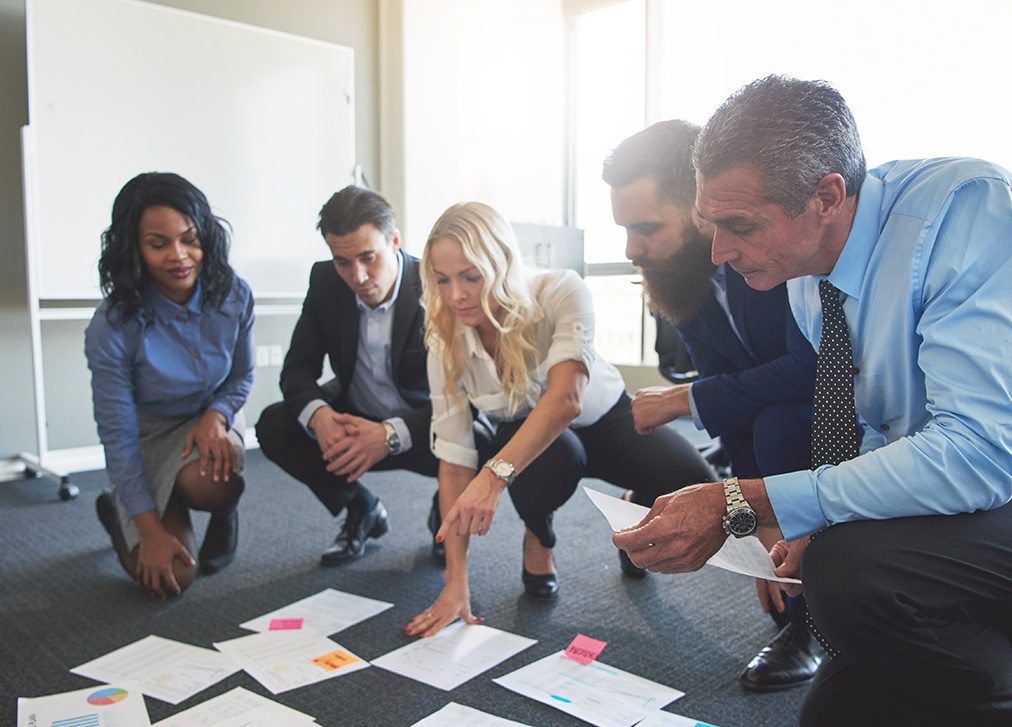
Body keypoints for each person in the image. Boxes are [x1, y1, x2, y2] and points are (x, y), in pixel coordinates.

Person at [613, 75, 1012, 727]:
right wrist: (822, 513)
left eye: (739, 225)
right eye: (711, 223)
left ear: (828, 196)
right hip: (985, 517)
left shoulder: (968, 208)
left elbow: (979, 455)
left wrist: (742, 503)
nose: (717, 251)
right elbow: (881, 426)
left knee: (853, 573)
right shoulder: (812, 273)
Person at [404, 201, 715, 637]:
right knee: (541, 464)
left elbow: (567, 398)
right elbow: (455, 459)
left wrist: (492, 478)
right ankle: (539, 534)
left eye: (471, 276)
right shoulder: (445, 336)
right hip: (531, 440)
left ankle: (633, 513)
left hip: (602, 416)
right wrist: (456, 582)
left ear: (501, 264)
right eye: (443, 279)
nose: (455, 294)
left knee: (690, 479)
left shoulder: (561, 290)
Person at [604, 119, 821, 692]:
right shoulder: (681, 280)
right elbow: (734, 400)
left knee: (777, 425)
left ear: (700, 209)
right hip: (774, 422)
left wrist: (685, 398)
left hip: (841, 414)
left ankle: (813, 631)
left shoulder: (769, 258)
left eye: (646, 227)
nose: (631, 249)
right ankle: (800, 615)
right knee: (761, 440)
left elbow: (808, 370)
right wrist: (752, 522)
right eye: (625, 229)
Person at [256, 187, 470, 566]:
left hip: (427, 426)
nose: (357, 275)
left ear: (395, 241)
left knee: (485, 436)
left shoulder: (439, 285)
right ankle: (361, 509)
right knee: (276, 424)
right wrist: (320, 416)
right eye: (342, 261)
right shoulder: (325, 282)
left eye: (368, 258)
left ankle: (446, 510)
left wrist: (389, 435)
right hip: (355, 420)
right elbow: (297, 370)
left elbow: (467, 397)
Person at [86, 172, 254, 598]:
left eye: (190, 239)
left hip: (207, 421)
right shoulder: (112, 325)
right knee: (172, 580)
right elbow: (118, 435)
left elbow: (240, 377)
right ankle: (119, 509)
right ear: (134, 250)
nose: (180, 256)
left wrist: (217, 416)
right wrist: (148, 529)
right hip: (147, 435)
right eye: (158, 244)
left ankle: (220, 513)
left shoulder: (233, 294)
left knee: (216, 480)